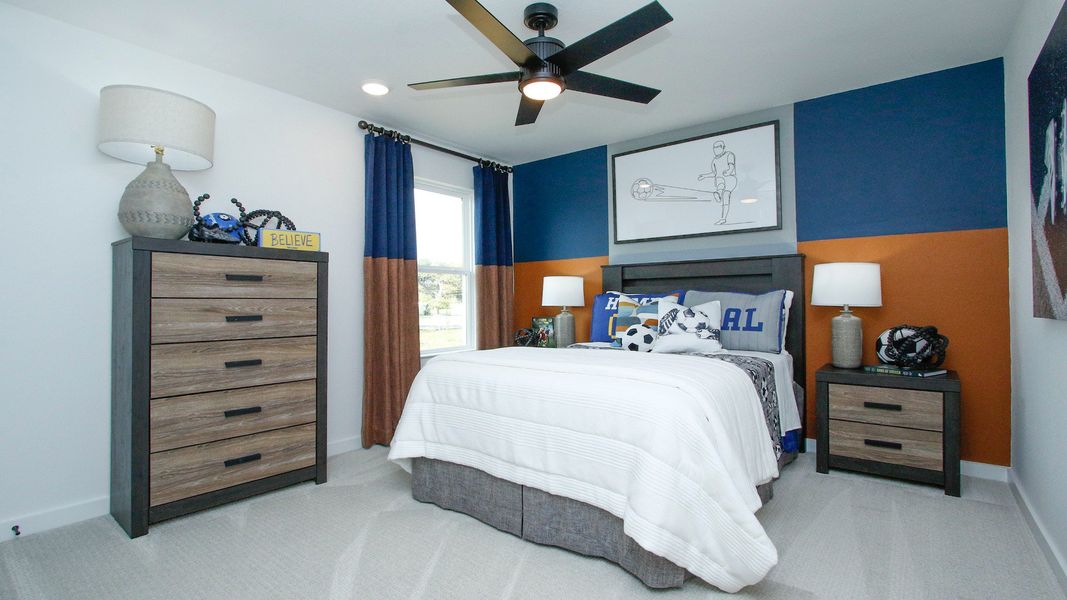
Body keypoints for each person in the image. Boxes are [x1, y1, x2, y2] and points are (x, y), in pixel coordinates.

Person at [697, 140, 737, 224]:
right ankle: (719, 194)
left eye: (718, 147)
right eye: (714, 148)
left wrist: (728, 171)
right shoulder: (714, 161)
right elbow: (714, 173)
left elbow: (731, 166)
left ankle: (718, 194)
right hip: (720, 180)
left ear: (723, 148)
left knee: (724, 190)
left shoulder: (729, 155)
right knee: (721, 186)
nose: (716, 150)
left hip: (730, 179)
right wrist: (704, 176)